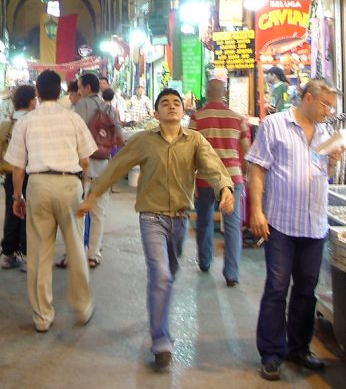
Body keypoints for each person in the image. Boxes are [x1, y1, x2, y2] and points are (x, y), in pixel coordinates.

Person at [78, 88, 233, 369]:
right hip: (151, 217)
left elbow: (212, 166)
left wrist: (224, 187)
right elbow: (116, 166)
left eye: (176, 103)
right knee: (161, 275)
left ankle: (157, 310)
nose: (172, 107)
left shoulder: (195, 141)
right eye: (165, 103)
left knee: (168, 274)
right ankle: (161, 340)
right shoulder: (144, 141)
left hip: (180, 219)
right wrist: (92, 195)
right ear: (156, 112)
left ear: (183, 111)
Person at [247, 79, 341, 382]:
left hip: (314, 225)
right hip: (281, 223)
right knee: (277, 288)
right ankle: (271, 353)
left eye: (332, 107)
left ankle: (298, 348)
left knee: (306, 290)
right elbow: (257, 168)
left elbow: (320, 173)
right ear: (309, 98)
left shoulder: (325, 133)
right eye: (325, 105)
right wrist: (256, 210)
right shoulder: (275, 125)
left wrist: (331, 163)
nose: (328, 112)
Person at [4, 70, 96, 332]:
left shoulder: (26, 122)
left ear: (37, 93)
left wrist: (17, 196)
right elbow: (86, 160)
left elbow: (18, 167)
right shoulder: (73, 119)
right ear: (60, 91)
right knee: (76, 249)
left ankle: (42, 316)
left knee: (39, 253)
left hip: (39, 185)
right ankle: (82, 307)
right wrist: (84, 187)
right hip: (69, 184)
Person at [189, 79, 250, 286]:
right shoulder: (238, 119)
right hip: (232, 178)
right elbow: (246, 152)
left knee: (204, 220)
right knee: (233, 225)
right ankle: (232, 273)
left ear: (206, 92)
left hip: (206, 177)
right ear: (224, 93)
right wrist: (243, 174)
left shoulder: (197, 118)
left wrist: (192, 178)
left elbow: (191, 152)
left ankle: (205, 262)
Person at [68, 73, 124, 269]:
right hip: (103, 168)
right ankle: (94, 254)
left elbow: (72, 134)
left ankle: (76, 253)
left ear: (87, 88)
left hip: (82, 168)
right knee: (99, 213)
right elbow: (120, 138)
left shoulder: (81, 106)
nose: (79, 91)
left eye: (81, 87)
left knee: (79, 211)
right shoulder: (109, 108)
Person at [0, 85, 37, 270]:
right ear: (31, 100)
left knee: (12, 212)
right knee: (30, 215)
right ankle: (28, 255)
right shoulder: (35, 121)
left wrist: (1, 166)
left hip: (11, 172)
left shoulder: (8, 122)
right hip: (31, 173)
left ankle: (8, 253)